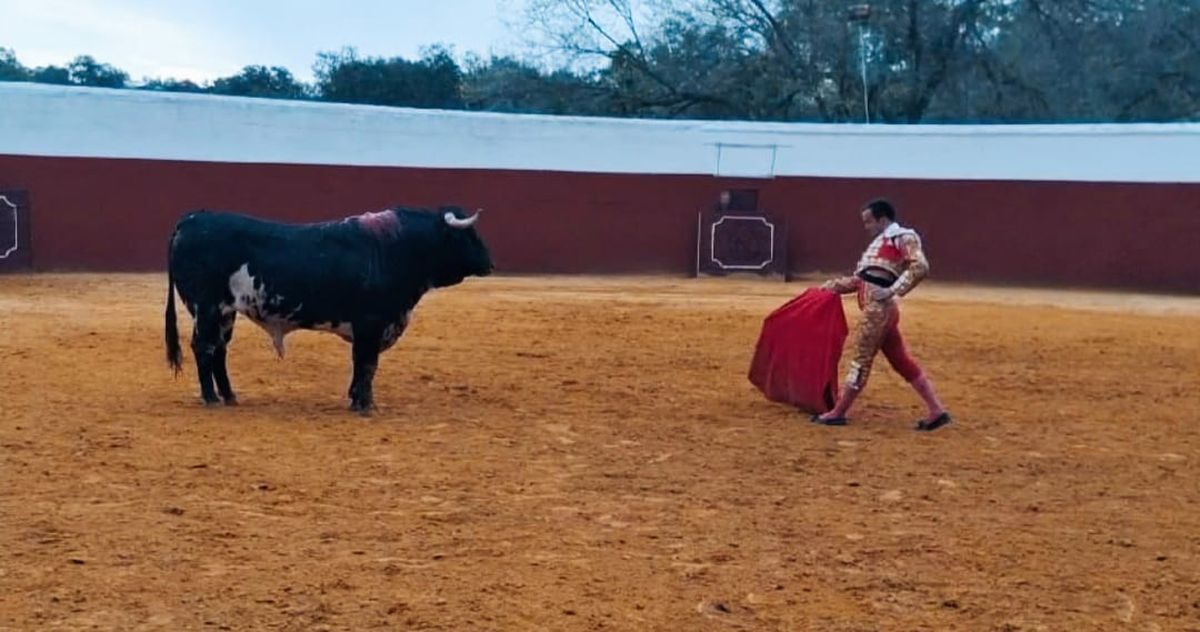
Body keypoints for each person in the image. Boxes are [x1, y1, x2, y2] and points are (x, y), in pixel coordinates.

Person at [812, 198, 952, 431]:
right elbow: (862, 280)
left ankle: (838, 412)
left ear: (882, 219)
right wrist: (831, 287)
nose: (866, 227)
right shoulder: (881, 242)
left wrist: (891, 290)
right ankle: (937, 410)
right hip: (879, 310)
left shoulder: (902, 237)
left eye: (869, 221)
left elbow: (921, 266)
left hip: (878, 312)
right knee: (901, 361)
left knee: (861, 359)